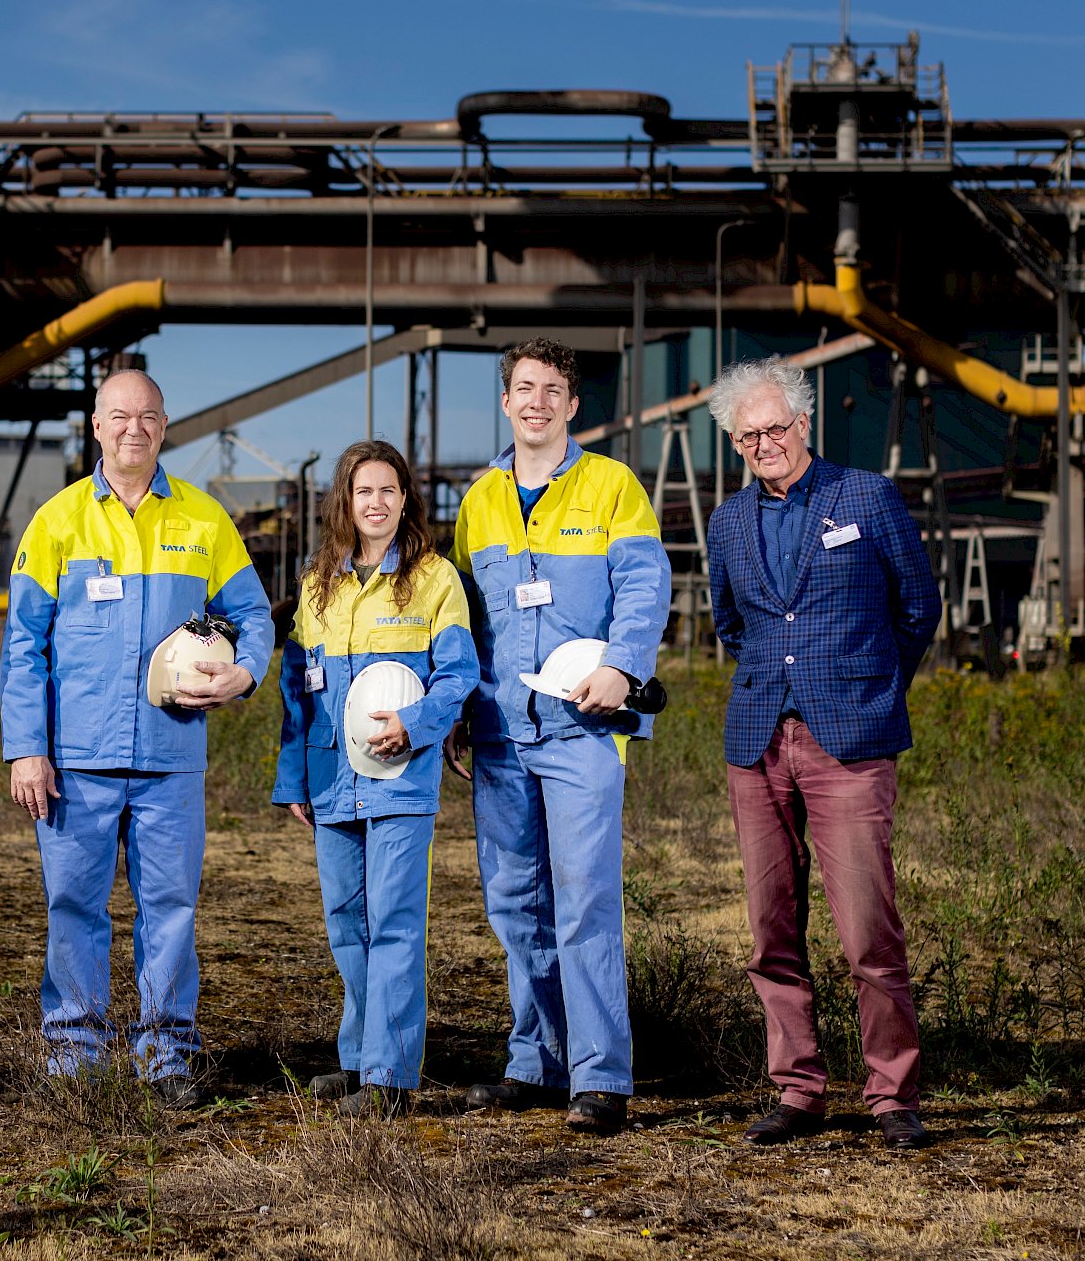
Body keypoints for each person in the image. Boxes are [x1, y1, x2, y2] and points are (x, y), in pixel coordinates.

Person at [1, 368, 274, 1108]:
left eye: (147, 416)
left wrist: (240, 674)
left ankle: (166, 1053)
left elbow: (251, 616)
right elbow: (22, 645)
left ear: (164, 425)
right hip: (76, 761)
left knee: (171, 908)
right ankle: (75, 1055)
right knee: (73, 906)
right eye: (118, 416)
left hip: (170, 753)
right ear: (96, 426)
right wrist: (27, 746)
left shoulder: (203, 520)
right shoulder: (57, 522)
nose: (133, 428)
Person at [704, 357, 940, 1151]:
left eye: (776, 427)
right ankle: (799, 1091)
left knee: (867, 930)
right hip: (758, 739)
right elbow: (731, 626)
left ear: (804, 423)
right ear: (734, 444)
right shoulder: (728, 522)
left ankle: (892, 1095)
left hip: (849, 742)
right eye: (749, 435)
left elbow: (918, 608)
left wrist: (871, 685)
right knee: (771, 930)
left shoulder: (866, 496)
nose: (765, 443)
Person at [447, 337, 671, 1135]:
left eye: (552, 390)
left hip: (584, 729)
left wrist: (623, 665)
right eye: (523, 388)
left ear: (573, 406)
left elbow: (644, 585)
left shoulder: (612, 487)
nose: (536, 401)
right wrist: (459, 710)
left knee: (584, 904)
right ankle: (534, 1062)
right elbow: (463, 620)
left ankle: (601, 1076)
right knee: (516, 904)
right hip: (503, 733)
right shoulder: (477, 502)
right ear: (505, 403)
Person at [271, 440, 478, 1118]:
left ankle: (390, 1074)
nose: (377, 503)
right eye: (364, 491)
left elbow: (459, 674)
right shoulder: (317, 585)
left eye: (389, 491)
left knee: (392, 922)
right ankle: (359, 1055)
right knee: (345, 922)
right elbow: (296, 689)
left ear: (406, 500)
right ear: (346, 501)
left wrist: (417, 725)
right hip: (332, 774)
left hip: (399, 777)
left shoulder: (433, 580)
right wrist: (294, 775)